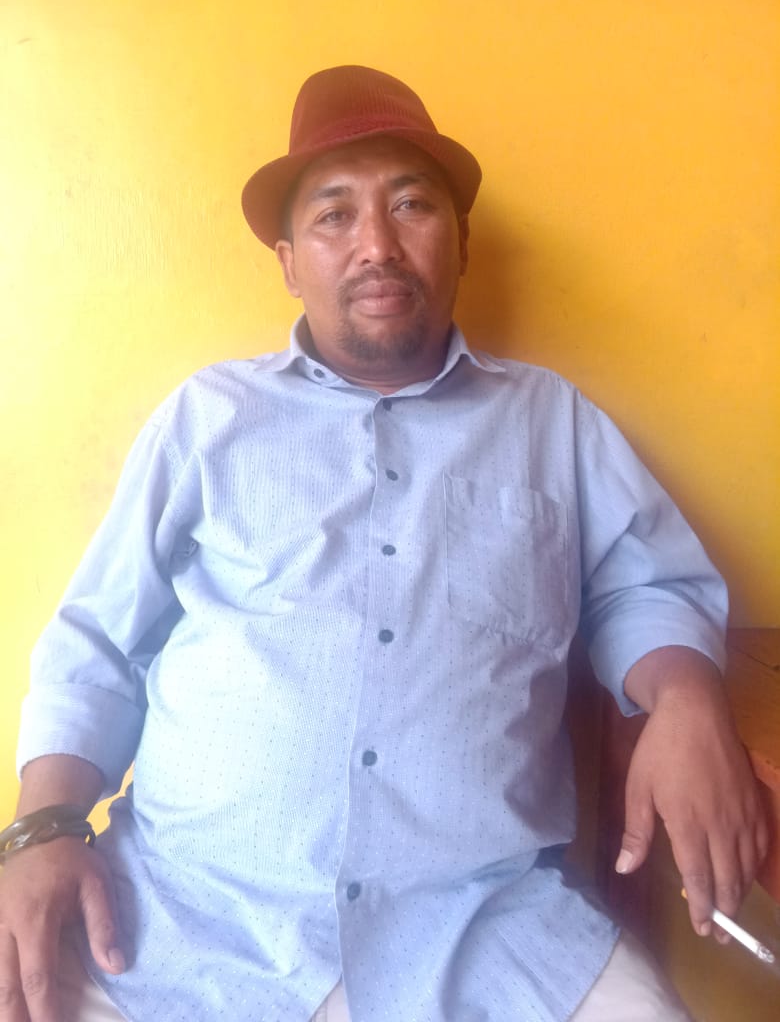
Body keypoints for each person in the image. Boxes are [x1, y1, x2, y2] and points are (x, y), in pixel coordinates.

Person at [0, 65, 767, 1022]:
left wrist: (687, 700)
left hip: (487, 928)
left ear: (462, 243)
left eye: (411, 204)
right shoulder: (207, 418)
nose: (376, 245)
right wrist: (41, 830)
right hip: (176, 923)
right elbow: (97, 644)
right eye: (334, 215)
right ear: (290, 263)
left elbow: (645, 587)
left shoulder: (553, 422)